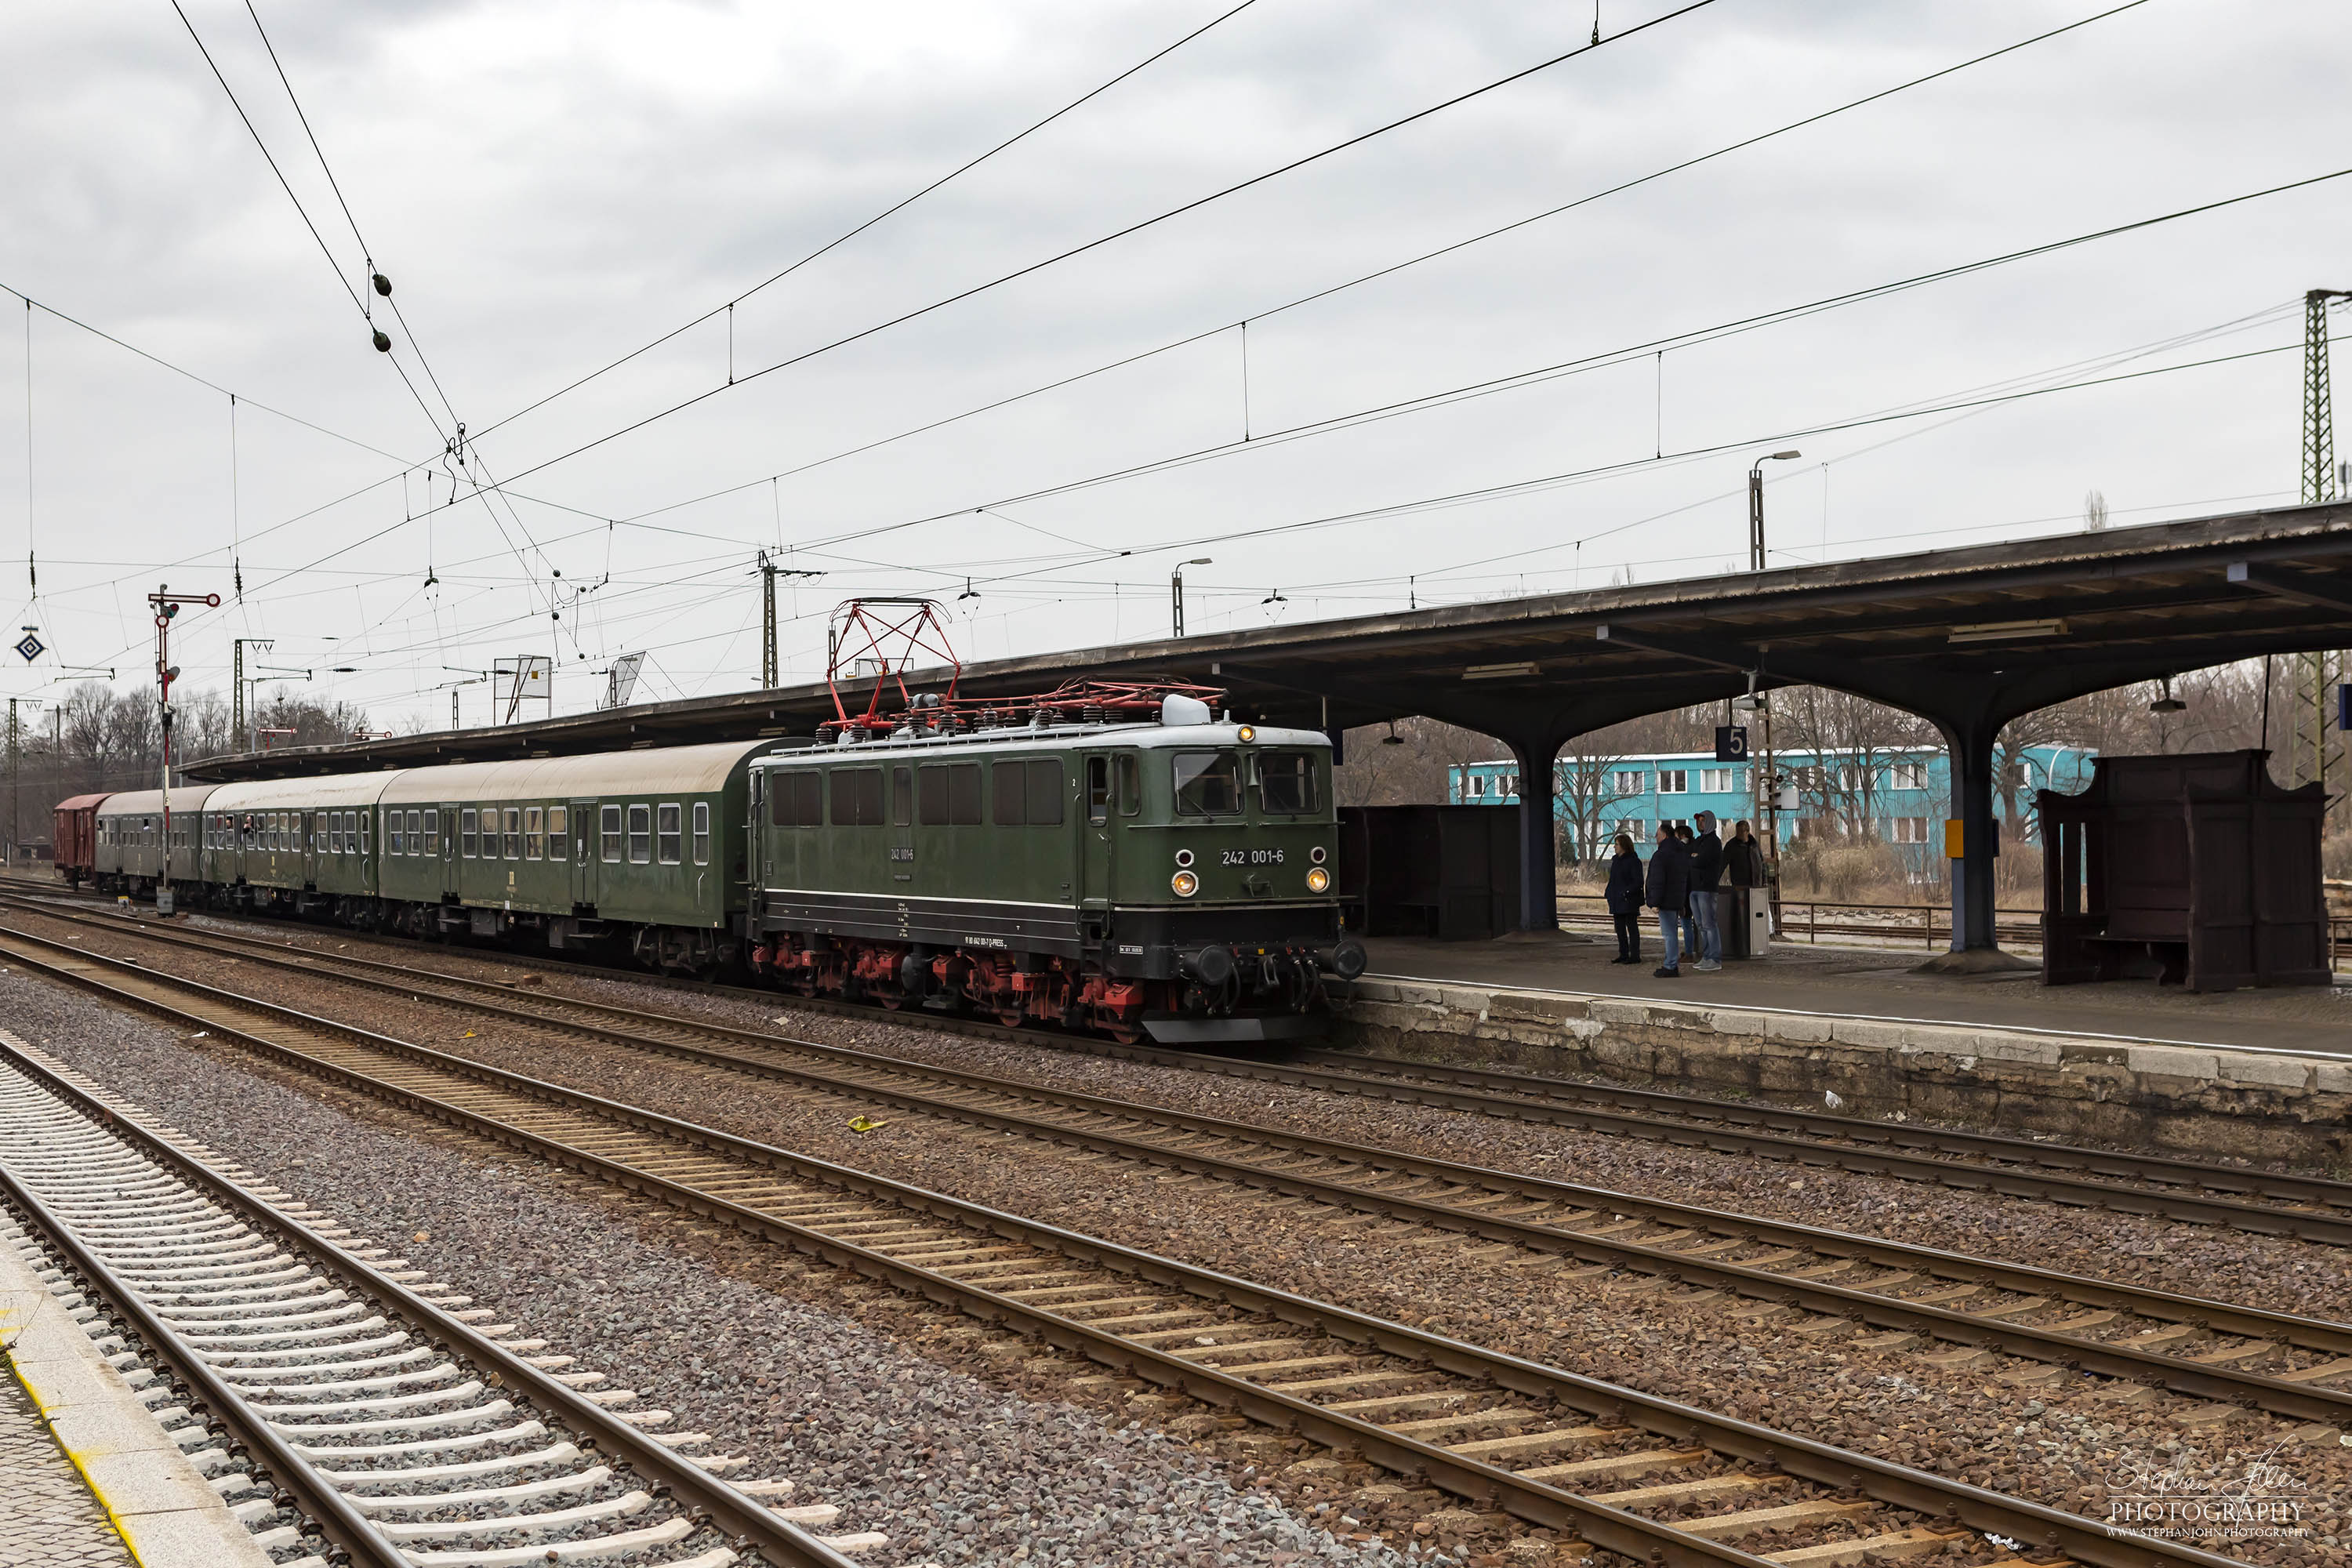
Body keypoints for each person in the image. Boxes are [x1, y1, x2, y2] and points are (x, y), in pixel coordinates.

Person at [1643, 821, 1691, 978]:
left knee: (1669, 933)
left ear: (1664, 835)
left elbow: (1658, 880)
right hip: (1677, 897)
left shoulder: (1661, 855)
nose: (1655, 837)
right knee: (1673, 932)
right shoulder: (1681, 853)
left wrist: (1654, 901)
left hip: (1665, 899)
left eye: (1657, 834)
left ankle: (1670, 965)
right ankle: (1671, 963)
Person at [1689, 811, 1725, 972]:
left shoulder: (1714, 842)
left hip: (1707, 889)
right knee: (1701, 925)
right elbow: (1689, 859)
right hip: (1695, 888)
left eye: (1703, 821)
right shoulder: (1698, 841)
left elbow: (1701, 861)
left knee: (1709, 924)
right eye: (1699, 821)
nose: (1700, 824)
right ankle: (1706, 956)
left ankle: (1714, 958)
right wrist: (1694, 858)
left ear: (1710, 822)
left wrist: (1695, 858)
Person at [1603, 833, 1643, 964]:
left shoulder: (1634, 861)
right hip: (1617, 899)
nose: (1614, 847)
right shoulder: (1615, 862)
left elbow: (1638, 881)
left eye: (1617, 844)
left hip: (1628, 900)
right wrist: (1608, 892)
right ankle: (1623, 954)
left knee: (1631, 928)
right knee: (1619, 929)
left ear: (1624, 846)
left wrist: (1626, 892)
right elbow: (1613, 880)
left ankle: (1635, 955)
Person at [1672, 823, 1699, 959]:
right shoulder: (1696, 847)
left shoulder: (1680, 850)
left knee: (1686, 923)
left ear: (1682, 836)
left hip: (1684, 891)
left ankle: (1688, 953)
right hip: (1697, 889)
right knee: (1699, 924)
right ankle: (1696, 951)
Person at [1726, 819, 1765, 887]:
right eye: (1737, 832)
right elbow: (1722, 864)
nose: (1738, 834)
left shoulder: (1755, 846)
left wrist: (1765, 882)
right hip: (1739, 886)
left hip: (1756, 885)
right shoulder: (1731, 846)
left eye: (1741, 831)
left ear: (1747, 832)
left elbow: (1762, 863)